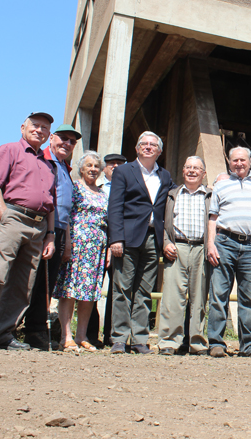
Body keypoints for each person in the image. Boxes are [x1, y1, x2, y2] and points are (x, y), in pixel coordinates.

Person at [0, 112, 57, 351]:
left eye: (44, 128)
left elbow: (51, 204)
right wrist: (5, 217)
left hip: (39, 226)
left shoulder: (48, 165)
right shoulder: (9, 150)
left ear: (49, 134)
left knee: (23, 283)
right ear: (23, 127)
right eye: (35, 125)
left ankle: (3, 334)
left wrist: (50, 234)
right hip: (13, 217)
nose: (39, 130)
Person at [107, 131, 174, 354]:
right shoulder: (124, 171)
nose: (148, 147)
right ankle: (119, 338)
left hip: (153, 239)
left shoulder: (165, 176)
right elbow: (115, 206)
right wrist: (115, 238)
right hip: (127, 238)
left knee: (145, 292)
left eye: (153, 144)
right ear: (136, 149)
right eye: (143, 144)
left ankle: (139, 339)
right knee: (122, 289)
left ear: (160, 151)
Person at [22, 123, 81, 350]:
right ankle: (22, 328)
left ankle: (36, 331)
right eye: (63, 138)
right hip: (42, 228)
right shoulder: (44, 160)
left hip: (58, 230)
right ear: (52, 138)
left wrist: (65, 241)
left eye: (72, 141)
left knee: (47, 281)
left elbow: (66, 207)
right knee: (31, 280)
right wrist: (49, 232)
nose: (67, 143)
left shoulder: (65, 167)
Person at [206, 147, 251, 357]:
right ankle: (216, 343)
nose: (239, 164)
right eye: (235, 160)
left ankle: (248, 345)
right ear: (229, 162)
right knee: (219, 295)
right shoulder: (221, 186)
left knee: (248, 298)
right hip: (225, 243)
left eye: (243, 160)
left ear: (250, 162)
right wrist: (211, 244)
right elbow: (213, 217)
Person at [52, 151, 109, 352]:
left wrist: (107, 248)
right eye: (89, 166)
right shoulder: (75, 187)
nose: (93, 169)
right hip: (76, 245)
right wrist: (66, 243)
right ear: (81, 169)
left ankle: (81, 336)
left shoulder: (103, 194)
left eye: (96, 166)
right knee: (69, 291)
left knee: (89, 293)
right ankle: (65, 336)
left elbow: (107, 222)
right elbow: (65, 215)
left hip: (96, 249)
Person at [158, 156, 212, 356]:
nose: (192, 171)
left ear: (203, 173)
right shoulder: (172, 194)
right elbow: (162, 222)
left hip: (200, 249)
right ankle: (169, 342)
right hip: (177, 247)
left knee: (199, 298)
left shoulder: (210, 195)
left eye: (196, 168)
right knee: (172, 298)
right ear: (182, 171)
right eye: (188, 167)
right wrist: (165, 242)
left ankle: (197, 343)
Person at [86, 153, 127, 347]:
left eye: (120, 164)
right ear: (105, 169)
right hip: (97, 244)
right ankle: (90, 334)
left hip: (120, 245)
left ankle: (113, 335)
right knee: (92, 288)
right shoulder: (98, 189)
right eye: (111, 164)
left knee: (117, 291)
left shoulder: (129, 191)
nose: (116, 166)